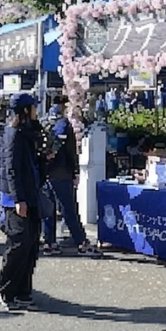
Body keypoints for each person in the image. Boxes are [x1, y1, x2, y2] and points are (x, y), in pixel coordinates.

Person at [0, 93, 46, 310]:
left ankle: (23, 291)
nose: (36, 111)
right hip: (16, 199)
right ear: (25, 110)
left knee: (32, 244)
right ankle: (5, 287)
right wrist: (18, 199)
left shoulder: (28, 132)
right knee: (19, 243)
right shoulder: (13, 134)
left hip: (32, 194)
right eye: (33, 107)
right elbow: (11, 169)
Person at [41, 108, 96, 256]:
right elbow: (63, 145)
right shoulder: (63, 124)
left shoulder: (45, 122)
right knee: (69, 209)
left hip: (46, 174)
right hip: (61, 173)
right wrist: (74, 171)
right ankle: (81, 242)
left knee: (49, 210)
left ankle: (49, 242)